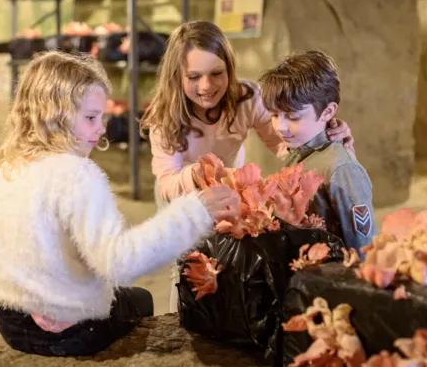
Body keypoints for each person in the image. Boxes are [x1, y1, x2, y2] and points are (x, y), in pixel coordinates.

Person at [0, 51, 241, 357]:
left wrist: (41, 298)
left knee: (121, 294)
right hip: (64, 330)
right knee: (140, 299)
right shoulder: (73, 174)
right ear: (54, 115)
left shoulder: (9, 166)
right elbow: (119, 263)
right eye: (91, 118)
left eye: (101, 117)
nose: (101, 128)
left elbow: (6, 253)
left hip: (10, 319)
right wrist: (196, 212)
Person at [138, 20, 355, 312]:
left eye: (217, 73)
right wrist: (199, 175)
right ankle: (183, 319)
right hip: (180, 193)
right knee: (187, 263)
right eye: (194, 76)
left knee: (226, 260)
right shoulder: (163, 116)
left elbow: (285, 145)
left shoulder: (248, 98)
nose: (206, 86)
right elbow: (166, 183)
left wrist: (324, 135)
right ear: (177, 76)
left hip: (227, 190)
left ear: (230, 68)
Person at [259, 50, 377, 253]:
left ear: (328, 112)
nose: (280, 127)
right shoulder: (297, 152)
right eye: (274, 115)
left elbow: (362, 247)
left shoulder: (341, 169)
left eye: (293, 117)